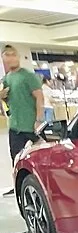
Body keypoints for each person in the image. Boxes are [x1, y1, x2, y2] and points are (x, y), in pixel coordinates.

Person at [0, 44, 45, 197]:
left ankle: (42, 183)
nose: (11, 58)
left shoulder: (27, 76)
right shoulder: (6, 79)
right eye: (7, 55)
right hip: (15, 126)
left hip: (31, 125)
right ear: (3, 58)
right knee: (16, 158)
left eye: (13, 54)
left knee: (41, 155)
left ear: (17, 56)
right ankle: (18, 186)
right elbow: (4, 98)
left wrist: (39, 119)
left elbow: (39, 96)